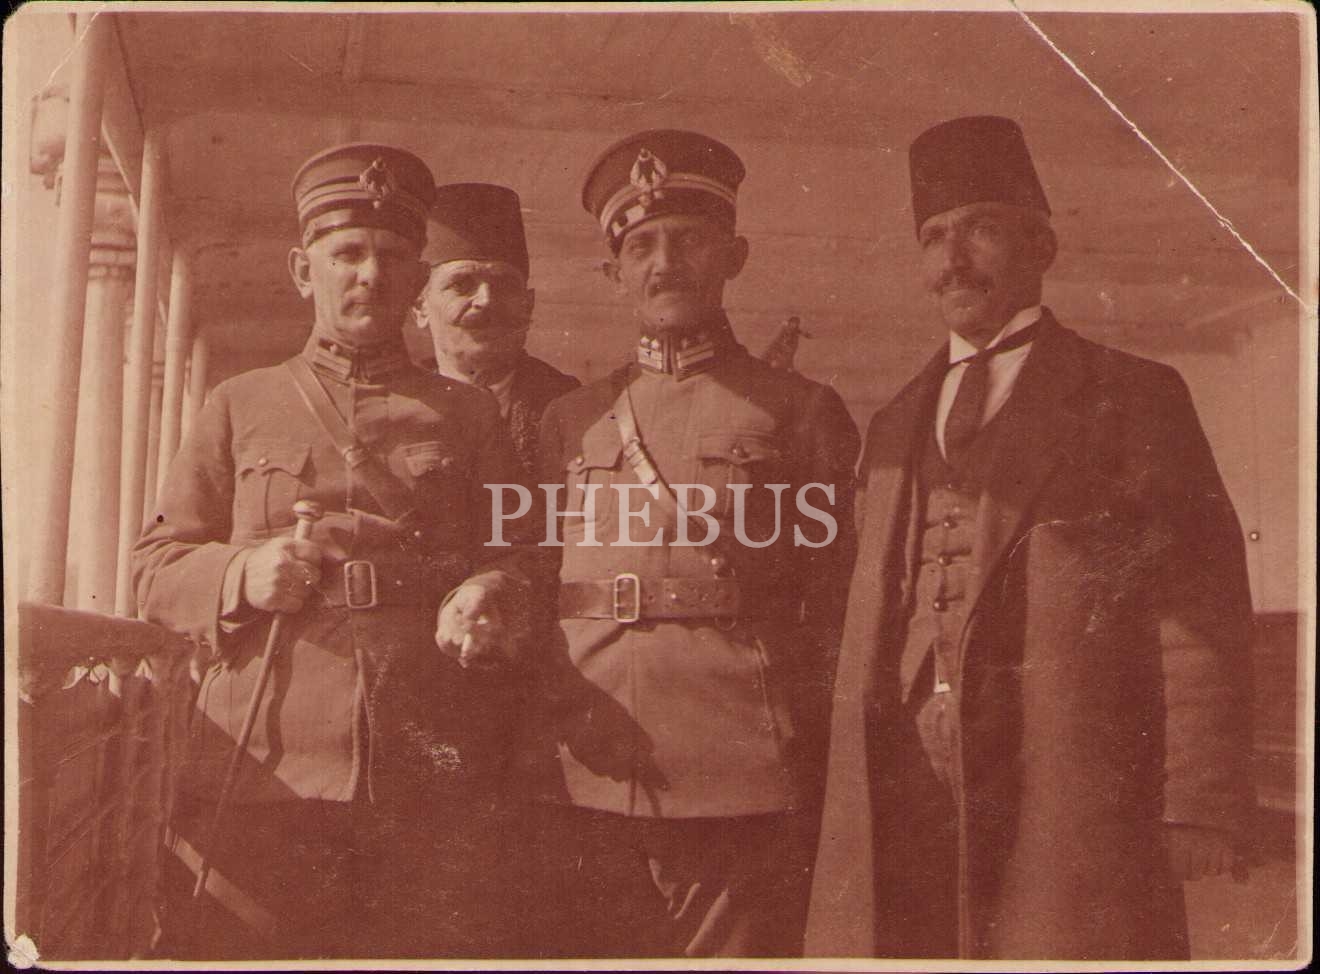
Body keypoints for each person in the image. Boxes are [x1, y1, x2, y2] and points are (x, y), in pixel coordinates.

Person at [804, 115, 1255, 960]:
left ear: (1041, 245)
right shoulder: (894, 421)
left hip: (1062, 778)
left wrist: (1197, 799)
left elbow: (1199, 606)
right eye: (934, 237)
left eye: (979, 228)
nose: (953, 259)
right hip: (907, 780)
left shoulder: (1134, 396)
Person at [134, 143, 535, 959]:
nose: (370, 275)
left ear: (416, 278)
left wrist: (490, 589)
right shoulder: (239, 404)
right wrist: (243, 573)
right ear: (301, 269)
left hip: (424, 758)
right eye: (347, 253)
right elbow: (154, 569)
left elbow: (524, 555)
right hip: (263, 759)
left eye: (392, 256)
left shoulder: (468, 416)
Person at [513, 129, 860, 958]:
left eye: (688, 240)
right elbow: (535, 579)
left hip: (736, 763)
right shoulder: (570, 420)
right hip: (590, 756)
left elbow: (835, 605)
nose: (664, 263)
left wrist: (800, 751)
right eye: (640, 247)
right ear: (615, 271)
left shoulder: (799, 410)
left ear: (733, 256)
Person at [414, 181, 579, 483]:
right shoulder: (396, 409)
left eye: (504, 285)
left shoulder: (576, 409)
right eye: (462, 284)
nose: (486, 300)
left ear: (528, 304)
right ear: (420, 307)